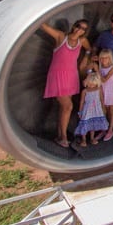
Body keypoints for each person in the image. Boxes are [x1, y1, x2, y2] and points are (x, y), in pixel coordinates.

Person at [40, 19, 92, 148]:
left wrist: (86, 57)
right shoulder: (61, 36)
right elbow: (43, 25)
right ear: (74, 26)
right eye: (78, 26)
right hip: (57, 76)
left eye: (83, 29)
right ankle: (63, 137)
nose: (80, 29)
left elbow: (90, 49)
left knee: (64, 107)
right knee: (68, 106)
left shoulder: (82, 41)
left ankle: (60, 135)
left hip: (71, 76)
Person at [74, 71, 109, 147]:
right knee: (85, 124)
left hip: (96, 110)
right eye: (89, 83)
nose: (91, 85)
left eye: (93, 84)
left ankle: (92, 138)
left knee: (92, 124)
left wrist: (103, 109)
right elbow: (82, 101)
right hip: (87, 110)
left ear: (97, 83)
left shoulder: (99, 90)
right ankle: (84, 140)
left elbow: (102, 100)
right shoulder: (85, 91)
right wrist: (80, 111)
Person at [97, 49, 113, 141]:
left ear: (110, 59)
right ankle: (103, 129)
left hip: (109, 90)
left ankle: (110, 130)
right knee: (102, 110)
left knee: (111, 108)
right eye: (102, 58)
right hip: (101, 91)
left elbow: (104, 80)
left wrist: (96, 70)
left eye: (106, 58)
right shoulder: (100, 68)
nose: (104, 60)